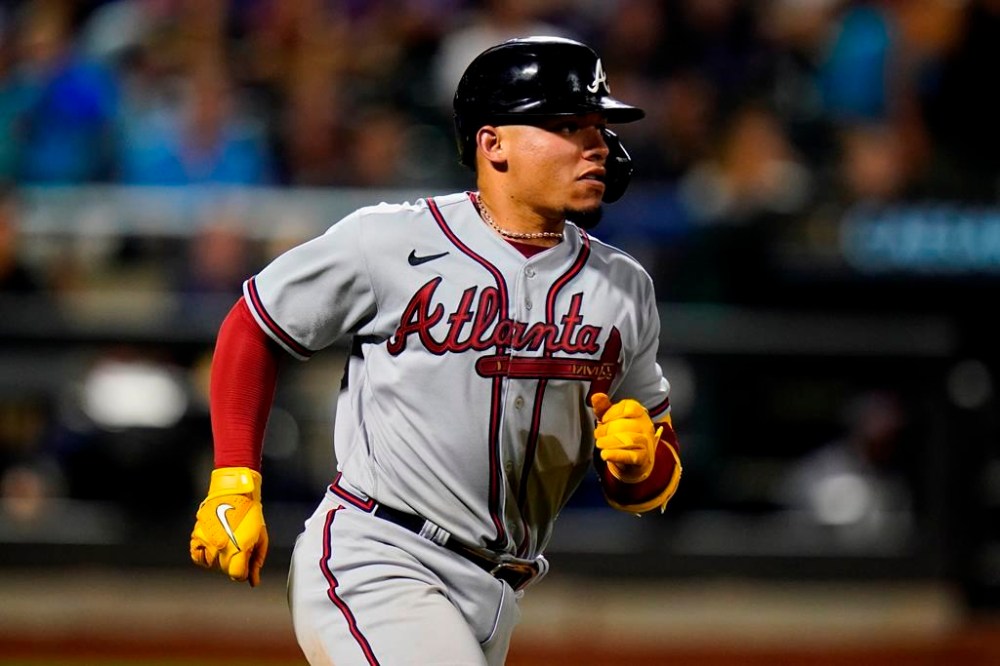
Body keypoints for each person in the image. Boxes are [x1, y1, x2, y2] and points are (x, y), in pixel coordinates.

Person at [189, 36, 682, 666]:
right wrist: (235, 477)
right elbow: (254, 326)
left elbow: (649, 476)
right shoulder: (391, 241)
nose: (595, 146)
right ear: (492, 143)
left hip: (501, 588)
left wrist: (640, 467)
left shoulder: (624, 287)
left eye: (596, 126)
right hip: (381, 554)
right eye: (566, 125)